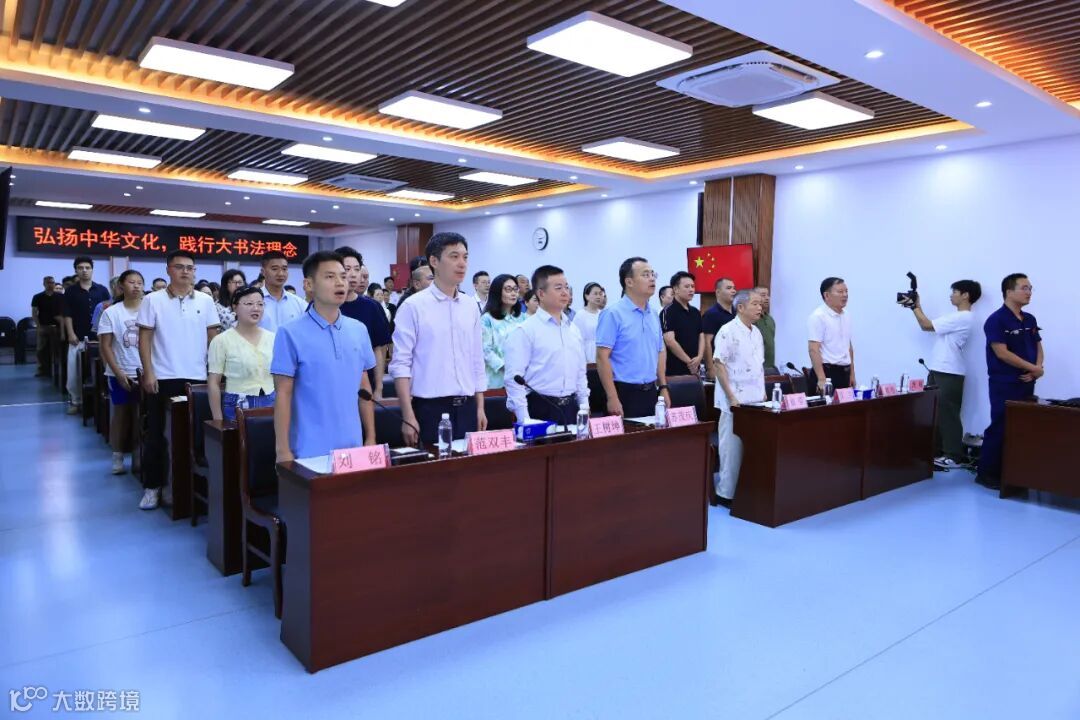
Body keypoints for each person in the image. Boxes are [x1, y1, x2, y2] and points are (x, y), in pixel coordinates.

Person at [272, 252, 377, 461]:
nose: (340, 282)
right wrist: (282, 450)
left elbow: (364, 390)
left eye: (343, 276)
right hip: (308, 450)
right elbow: (283, 394)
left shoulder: (359, 330)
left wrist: (371, 437)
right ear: (308, 284)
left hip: (353, 448)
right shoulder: (289, 332)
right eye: (330, 277)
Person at [137, 250, 221, 510]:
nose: (185, 271)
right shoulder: (152, 300)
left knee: (197, 436)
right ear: (168, 270)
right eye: (179, 267)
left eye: (190, 267)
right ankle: (153, 487)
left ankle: (192, 489)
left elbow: (213, 339)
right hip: (162, 377)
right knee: (156, 435)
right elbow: (144, 339)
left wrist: (216, 372)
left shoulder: (206, 301)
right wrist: (148, 372)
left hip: (197, 378)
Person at [389, 232, 487, 445]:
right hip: (430, 409)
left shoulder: (470, 306)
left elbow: (477, 359)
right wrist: (407, 415)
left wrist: (480, 407)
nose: (462, 263)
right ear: (434, 261)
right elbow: (401, 365)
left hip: (468, 406)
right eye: (454, 256)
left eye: (465, 257)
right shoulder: (413, 306)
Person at [900, 279, 982, 469]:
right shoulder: (958, 317)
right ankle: (937, 452)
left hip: (949, 371)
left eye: (955, 292)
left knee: (948, 413)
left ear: (965, 295)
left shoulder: (963, 317)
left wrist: (914, 307)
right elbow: (929, 325)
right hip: (939, 368)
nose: (951, 295)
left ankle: (953, 455)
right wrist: (917, 305)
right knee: (935, 412)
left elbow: (926, 325)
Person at [975, 274, 1043, 490]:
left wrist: (1037, 369)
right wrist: (1033, 368)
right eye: (1024, 288)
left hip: (1027, 381)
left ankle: (1015, 473)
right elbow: (1002, 353)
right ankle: (987, 474)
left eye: (1030, 288)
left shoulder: (1030, 319)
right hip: (1004, 383)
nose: (1029, 292)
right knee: (1001, 426)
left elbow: (1038, 346)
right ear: (1009, 291)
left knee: (1022, 428)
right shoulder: (996, 320)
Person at [503, 265, 589, 425]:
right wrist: (524, 420)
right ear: (541, 294)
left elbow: (580, 373)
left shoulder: (574, 329)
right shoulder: (525, 331)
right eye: (558, 288)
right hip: (540, 408)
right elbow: (513, 380)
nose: (565, 293)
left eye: (566, 287)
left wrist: (584, 406)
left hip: (571, 408)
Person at [596, 257, 670, 418]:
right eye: (645, 275)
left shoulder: (653, 314)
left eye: (653, 274)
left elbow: (660, 351)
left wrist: (663, 387)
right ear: (629, 282)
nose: (652, 278)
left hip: (651, 391)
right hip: (623, 392)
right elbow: (602, 357)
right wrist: (612, 397)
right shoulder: (613, 314)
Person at [712, 290, 766, 506]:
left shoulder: (757, 332)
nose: (760, 308)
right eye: (755, 304)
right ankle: (725, 494)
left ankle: (746, 491)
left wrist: (763, 391)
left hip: (756, 400)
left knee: (751, 449)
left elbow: (759, 365)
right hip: (734, 401)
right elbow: (719, 364)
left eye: (761, 304)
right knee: (731, 449)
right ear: (740, 307)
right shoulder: (728, 331)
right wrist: (731, 396)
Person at [98, 270, 144, 475]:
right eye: (131, 282)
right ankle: (117, 456)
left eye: (140, 282)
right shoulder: (111, 312)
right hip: (120, 372)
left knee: (141, 415)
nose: (136, 286)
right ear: (121, 286)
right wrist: (118, 373)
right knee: (121, 414)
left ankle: (138, 455)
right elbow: (105, 346)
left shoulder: (150, 309)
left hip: (146, 373)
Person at [207, 286, 276, 422]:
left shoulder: (273, 338)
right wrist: (218, 420)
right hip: (238, 403)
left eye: (260, 304)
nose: (256, 308)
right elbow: (214, 382)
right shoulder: (221, 341)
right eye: (249, 304)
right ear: (235, 307)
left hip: (271, 401)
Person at [338, 247, 392, 399]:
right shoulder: (322, 306)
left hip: (366, 388)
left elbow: (379, 350)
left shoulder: (372, 307)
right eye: (347, 269)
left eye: (357, 269)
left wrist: (379, 388)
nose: (353, 274)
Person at [62, 256, 110, 415]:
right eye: (81, 268)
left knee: (98, 371)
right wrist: (70, 333)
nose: (84, 271)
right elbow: (67, 314)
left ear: (92, 270)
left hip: (100, 338)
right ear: (76, 270)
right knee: (74, 372)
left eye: (87, 268)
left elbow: (108, 313)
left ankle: (98, 402)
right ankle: (76, 401)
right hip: (78, 337)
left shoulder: (102, 290)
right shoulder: (70, 291)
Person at [808, 277, 855, 393]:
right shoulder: (818, 316)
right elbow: (813, 349)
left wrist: (852, 373)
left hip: (845, 372)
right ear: (827, 295)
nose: (845, 295)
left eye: (846, 291)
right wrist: (821, 378)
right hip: (827, 373)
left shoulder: (846, 315)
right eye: (840, 292)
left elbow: (848, 346)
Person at [480, 274, 525, 389]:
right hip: (497, 382)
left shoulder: (523, 318)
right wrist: (506, 367)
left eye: (515, 289)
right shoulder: (487, 319)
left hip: (521, 380)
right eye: (508, 289)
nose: (513, 293)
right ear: (497, 292)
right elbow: (485, 350)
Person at [660, 271, 703, 376]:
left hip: (695, 368)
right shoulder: (668, 312)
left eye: (693, 286)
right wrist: (690, 363)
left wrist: (700, 357)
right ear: (675, 289)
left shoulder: (695, 312)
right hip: (675, 371)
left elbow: (701, 335)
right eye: (687, 286)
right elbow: (669, 341)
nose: (691, 290)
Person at [258, 251, 306, 332]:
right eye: (274, 269)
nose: (281, 273)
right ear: (263, 272)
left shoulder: (299, 303)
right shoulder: (253, 301)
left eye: (284, 269)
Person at [702, 278, 737, 380]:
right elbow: (706, 342)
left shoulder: (738, 313)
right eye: (729, 288)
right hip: (719, 365)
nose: (733, 291)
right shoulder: (711, 314)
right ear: (718, 292)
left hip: (736, 366)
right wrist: (710, 368)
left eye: (734, 288)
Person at [31, 275, 60, 377]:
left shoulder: (59, 297)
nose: (50, 284)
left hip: (57, 327)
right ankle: (42, 369)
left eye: (52, 282)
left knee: (57, 349)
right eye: (48, 282)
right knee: (41, 349)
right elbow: (34, 313)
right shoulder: (37, 297)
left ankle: (57, 369)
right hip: (43, 326)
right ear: (44, 284)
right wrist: (39, 326)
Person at [573, 282, 606, 362]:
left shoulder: (602, 314)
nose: (598, 296)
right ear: (586, 296)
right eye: (595, 294)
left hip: (601, 355)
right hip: (586, 357)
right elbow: (576, 340)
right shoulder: (580, 315)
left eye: (600, 294)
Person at [754, 285, 777, 371]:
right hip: (755, 367)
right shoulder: (751, 319)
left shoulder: (770, 319)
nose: (767, 298)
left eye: (768, 295)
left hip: (770, 366)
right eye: (763, 295)